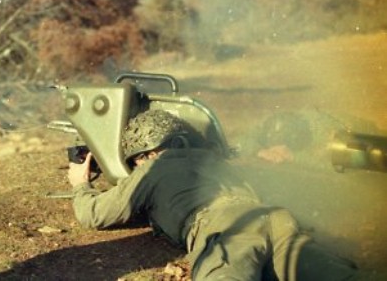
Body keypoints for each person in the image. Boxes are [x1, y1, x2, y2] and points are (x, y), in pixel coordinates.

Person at [67, 109, 367, 280]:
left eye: (136, 161)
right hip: (275, 219)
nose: (137, 166)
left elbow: (93, 214)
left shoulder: (153, 168)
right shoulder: (213, 159)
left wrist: (80, 183)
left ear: (146, 154)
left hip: (226, 231)